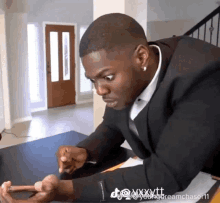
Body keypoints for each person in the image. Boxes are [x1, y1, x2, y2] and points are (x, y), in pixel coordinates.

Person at [1, 12, 220, 202]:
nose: (99, 90)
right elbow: (113, 126)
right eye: (93, 80)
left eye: (107, 77)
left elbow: (167, 176)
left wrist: (69, 191)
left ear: (141, 57)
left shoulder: (205, 75)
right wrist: (86, 151)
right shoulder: (127, 68)